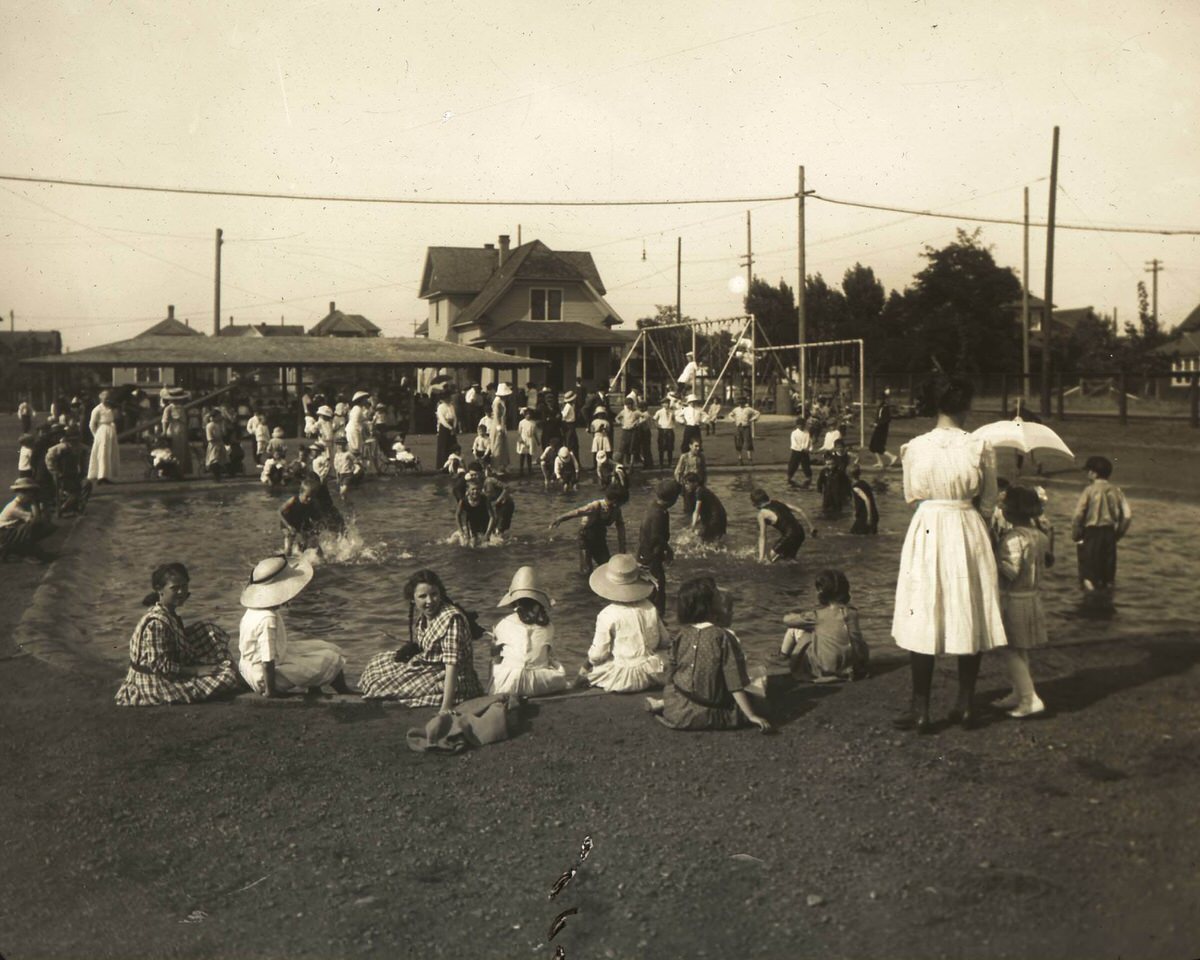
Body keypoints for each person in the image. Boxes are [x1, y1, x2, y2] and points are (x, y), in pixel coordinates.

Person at [891, 377, 1007, 734]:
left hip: (929, 526)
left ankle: (921, 709)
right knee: (967, 607)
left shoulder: (914, 447)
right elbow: (988, 502)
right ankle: (966, 703)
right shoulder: (980, 445)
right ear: (965, 406)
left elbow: (912, 495)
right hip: (966, 525)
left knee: (923, 609)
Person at [646, 575, 771, 732]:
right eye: (717, 596)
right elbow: (734, 683)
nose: (720, 597)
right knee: (760, 693)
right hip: (709, 712)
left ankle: (662, 704)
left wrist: (669, 699)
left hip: (678, 711)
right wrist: (751, 715)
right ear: (708, 606)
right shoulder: (723, 636)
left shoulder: (682, 634)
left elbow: (671, 672)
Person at [114, 563, 241, 706]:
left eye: (184, 586)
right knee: (228, 676)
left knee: (207, 629)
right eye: (175, 588)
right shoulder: (156, 623)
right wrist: (196, 671)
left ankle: (225, 668)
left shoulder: (167, 612)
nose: (181, 592)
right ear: (159, 590)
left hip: (161, 670)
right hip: (153, 681)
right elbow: (160, 666)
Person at [359, 569, 485, 707]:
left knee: (380, 687)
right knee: (377, 663)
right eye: (423, 596)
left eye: (434, 594)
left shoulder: (452, 620)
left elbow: (452, 665)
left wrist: (446, 707)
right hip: (433, 667)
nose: (430, 601)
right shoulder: (426, 616)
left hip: (456, 680)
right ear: (412, 598)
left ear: (441, 594)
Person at [238, 556, 351, 696]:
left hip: (249, 667)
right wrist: (270, 691)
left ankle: (316, 688)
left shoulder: (253, 610)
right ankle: (342, 691)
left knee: (325, 646)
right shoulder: (268, 618)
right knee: (330, 657)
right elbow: (267, 660)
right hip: (263, 677)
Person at [994, 485, 1053, 718]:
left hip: (1014, 599)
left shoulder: (1013, 538)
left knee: (1009, 649)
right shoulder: (1040, 536)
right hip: (1032, 597)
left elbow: (1010, 571)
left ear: (1011, 512)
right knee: (1021, 649)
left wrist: (991, 556)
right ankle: (1018, 692)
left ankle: (1029, 698)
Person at [579, 554, 669, 693]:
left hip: (623, 678)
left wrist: (586, 666)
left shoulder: (607, 614)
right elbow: (665, 641)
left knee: (596, 667)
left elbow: (598, 655)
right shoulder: (650, 607)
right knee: (660, 655)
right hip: (651, 674)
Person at [488, 567, 569, 697]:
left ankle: (490, 694)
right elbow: (547, 655)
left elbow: (495, 656)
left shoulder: (503, 623)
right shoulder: (549, 626)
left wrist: (493, 645)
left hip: (509, 684)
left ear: (515, 601)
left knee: (494, 661)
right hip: (540, 683)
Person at [779, 570, 869, 683]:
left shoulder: (817, 615)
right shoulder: (853, 613)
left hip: (827, 667)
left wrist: (798, 614)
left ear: (821, 592)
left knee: (796, 630)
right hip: (856, 666)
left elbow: (787, 620)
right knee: (849, 635)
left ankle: (782, 658)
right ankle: (850, 665)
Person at [1070, 455, 1132, 594]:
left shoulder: (1089, 490)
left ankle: (1090, 601)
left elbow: (1078, 515)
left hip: (1091, 533)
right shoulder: (1117, 490)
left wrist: (1075, 533)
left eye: (1088, 471)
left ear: (1093, 473)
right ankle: (1105, 601)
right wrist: (1118, 535)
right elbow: (1127, 516)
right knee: (1107, 574)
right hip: (1109, 533)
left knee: (1088, 573)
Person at [550, 487, 628, 574]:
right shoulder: (596, 506)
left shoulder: (616, 511)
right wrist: (560, 518)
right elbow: (577, 512)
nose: (621, 505)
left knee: (607, 566)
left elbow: (621, 527)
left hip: (600, 539)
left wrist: (622, 547)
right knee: (586, 570)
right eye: (622, 503)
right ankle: (583, 584)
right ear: (615, 502)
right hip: (585, 538)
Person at [638, 479, 679, 618]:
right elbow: (656, 538)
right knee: (657, 590)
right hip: (651, 557)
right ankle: (658, 619)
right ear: (673, 499)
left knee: (652, 589)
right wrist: (665, 552)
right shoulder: (659, 514)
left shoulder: (654, 507)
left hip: (645, 555)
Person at [280, 476, 343, 555]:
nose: (309, 499)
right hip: (288, 522)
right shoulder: (293, 500)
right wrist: (288, 526)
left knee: (314, 541)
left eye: (312, 497)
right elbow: (280, 512)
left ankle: (321, 558)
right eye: (307, 496)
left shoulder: (313, 503)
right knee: (289, 536)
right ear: (301, 492)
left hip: (301, 522)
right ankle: (287, 555)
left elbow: (318, 518)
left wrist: (321, 526)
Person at [751, 487, 816, 563]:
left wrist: (761, 558)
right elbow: (800, 510)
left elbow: (762, 536)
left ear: (754, 503)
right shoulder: (777, 502)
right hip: (801, 533)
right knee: (790, 559)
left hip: (790, 535)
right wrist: (811, 527)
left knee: (769, 560)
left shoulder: (762, 514)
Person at [0, 478, 54, 562]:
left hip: (9, 532)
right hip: (4, 534)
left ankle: (23, 551)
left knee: (40, 527)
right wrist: (34, 504)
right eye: (29, 493)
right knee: (32, 527)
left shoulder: (21, 504)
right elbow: (36, 521)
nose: (31, 495)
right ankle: (24, 552)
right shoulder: (14, 507)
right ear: (21, 493)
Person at [87, 390, 120, 484]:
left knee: (110, 453)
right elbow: (91, 424)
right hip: (102, 431)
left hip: (111, 430)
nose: (107, 400)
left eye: (108, 398)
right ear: (100, 398)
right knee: (103, 453)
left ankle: (107, 475)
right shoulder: (97, 409)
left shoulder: (110, 408)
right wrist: (96, 435)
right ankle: (101, 475)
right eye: (105, 398)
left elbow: (115, 417)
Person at [683, 473, 726, 543]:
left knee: (704, 538)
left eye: (687, 484)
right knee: (710, 540)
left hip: (716, 517)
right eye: (685, 484)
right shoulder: (700, 490)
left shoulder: (699, 491)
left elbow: (696, 511)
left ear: (695, 483)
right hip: (717, 516)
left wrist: (692, 527)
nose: (686, 486)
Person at [819, 438, 853, 519]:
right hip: (828, 493)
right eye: (828, 464)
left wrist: (848, 493)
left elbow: (847, 483)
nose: (829, 466)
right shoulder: (824, 471)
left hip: (838, 491)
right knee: (825, 508)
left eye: (831, 464)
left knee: (838, 508)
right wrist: (819, 489)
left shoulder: (839, 472)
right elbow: (820, 481)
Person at [673, 439, 707, 516]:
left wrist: (704, 484)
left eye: (699, 446)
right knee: (688, 507)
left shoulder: (701, 457)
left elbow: (704, 471)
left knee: (699, 507)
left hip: (698, 484)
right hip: (688, 485)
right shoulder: (684, 457)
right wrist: (681, 484)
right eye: (696, 446)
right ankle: (687, 521)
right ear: (690, 446)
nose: (698, 448)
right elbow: (677, 472)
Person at [457, 480, 496, 546]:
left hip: (484, 524)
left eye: (477, 489)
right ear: (468, 490)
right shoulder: (463, 501)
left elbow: (492, 517)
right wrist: (461, 531)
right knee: (468, 544)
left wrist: (487, 534)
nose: (475, 491)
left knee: (486, 544)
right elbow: (457, 515)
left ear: (480, 490)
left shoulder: (485, 500)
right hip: (471, 525)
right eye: (473, 489)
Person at [866, 389, 898, 469]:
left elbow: (886, 419)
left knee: (878, 446)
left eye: (879, 399)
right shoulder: (880, 407)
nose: (877, 401)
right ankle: (880, 462)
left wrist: (876, 424)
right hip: (878, 428)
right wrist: (874, 423)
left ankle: (892, 457)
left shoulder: (885, 407)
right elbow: (879, 418)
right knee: (872, 446)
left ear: (882, 400)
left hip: (882, 429)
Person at [729, 396, 760, 466]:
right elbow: (730, 415)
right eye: (739, 403)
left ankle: (750, 459)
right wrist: (733, 420)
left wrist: (752, 419)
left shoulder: (748, 409)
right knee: (738, 443)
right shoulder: (736, 409)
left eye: (742, 403)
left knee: (748, 443)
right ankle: (740, 459)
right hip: (738, 427)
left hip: (746, 427)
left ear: (744, 403)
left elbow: (757, 413)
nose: (741, 404)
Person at [849, 466, 879, 535]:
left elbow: (867, 500)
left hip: (865, 515)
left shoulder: (856, 487)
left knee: (854, 534)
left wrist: (869, 516)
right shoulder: (864, 483)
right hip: (874, 513)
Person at [786, 416, 815, 489]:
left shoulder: (807, 432)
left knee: (806, 465)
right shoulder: (794, 433)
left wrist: (810, 449)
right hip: (796, 451)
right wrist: (801, 449)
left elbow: (810, 442)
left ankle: (809, 478)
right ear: (797, 425)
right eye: (799, 425)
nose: (801, 426)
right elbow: (794, 443)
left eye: (802, 424)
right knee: (793, 464)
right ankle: (789, 477)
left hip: (805, 452)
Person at [435, 389, 459, 472]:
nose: (449, 399)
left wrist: (454, 427)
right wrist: (449, 427)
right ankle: (443, 465)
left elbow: (455, 417)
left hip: (452, 425)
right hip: (445, 428)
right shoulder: (441, 407)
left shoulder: (451, 406)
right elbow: (442, 420)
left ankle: (453, 464)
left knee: (452, 446)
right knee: (444, 447)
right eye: (447, 398)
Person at [490, 382, 512, 471]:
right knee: (497, 446)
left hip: (502, 425)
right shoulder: (497, 402)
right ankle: (496, 466)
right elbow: (496, 416)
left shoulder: (501, 401)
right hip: (497, 426)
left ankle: (502, 465)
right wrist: (499, 428)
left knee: (502, 446)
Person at [615, 396, 640, 466]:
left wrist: (637, 423)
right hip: (625, 431)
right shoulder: (623, 412)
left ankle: (631, 464)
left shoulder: (636, 411)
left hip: (633, 431)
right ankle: (621, 463)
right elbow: (617, 418)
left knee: (632, 448)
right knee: (623, 447)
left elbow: (643, 417)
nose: (629, 406)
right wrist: (620, 422)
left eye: (630, 404)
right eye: (627, 404)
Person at [516, 407, 540, 477]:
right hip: (523, 439)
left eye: (529, 414)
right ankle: (521, 470)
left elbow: (535, 433)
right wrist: (520, 439)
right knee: (522, 455)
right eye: (527, 414)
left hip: (530, 440)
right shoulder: (521, 422)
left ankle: (530, 470)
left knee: (529, 455)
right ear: (524, 415)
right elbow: (519, 432)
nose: (528, 415)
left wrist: (538, 441)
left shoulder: (533, 422)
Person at [203, 410, 227, 480]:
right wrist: (216, 439)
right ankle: (216, 475)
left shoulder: (218, 425)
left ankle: (218, 475)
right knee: (214, 459)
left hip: (219, 443)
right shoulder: (210, 425)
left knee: (219, 459)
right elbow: (210, 437)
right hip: (214, 444)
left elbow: (223, 434)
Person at [345, 390, 370, 456]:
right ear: (361, 400)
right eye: (365, 399)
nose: (366, 401)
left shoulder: (358, 409)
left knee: (357, 447)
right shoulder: (357, 409)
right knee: (356, 448)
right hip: (354, 430)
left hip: (355, 429)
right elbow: (357, 422)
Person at [654, 397, 677, 468]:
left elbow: (674, 419)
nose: (666, 405)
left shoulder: (672, 412)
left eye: (667, 403)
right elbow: (655, 419)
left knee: (670, 447)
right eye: (664, 403)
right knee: (661, 447)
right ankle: (661, 463)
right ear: (662, 404)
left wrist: (672, 424)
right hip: (662, 430)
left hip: (670, 430)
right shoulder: (659, 412)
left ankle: (670, 463)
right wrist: (657, 426)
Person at [560, 389, 580, 460]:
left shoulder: (571, 405)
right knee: (570, 443)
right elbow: (563, 416)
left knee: (574, 444)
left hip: (572, 425)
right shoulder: (568, 406)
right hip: (569, 425)